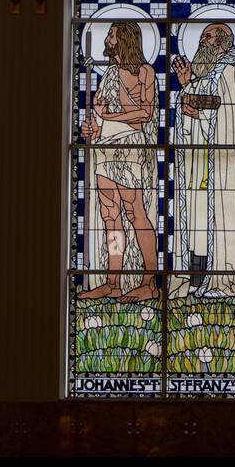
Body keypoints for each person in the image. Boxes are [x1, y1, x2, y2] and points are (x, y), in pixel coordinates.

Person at [172, 23, 235, 297]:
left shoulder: (233, 72)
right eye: (200, 37)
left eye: (206, 37)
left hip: (224, 166)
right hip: (201, 163)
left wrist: (197, 111)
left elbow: (230, 115)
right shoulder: (208, 74)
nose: (201, 43)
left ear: (222, 43)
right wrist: (187, 88)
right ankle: (197, 278)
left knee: (222, 218)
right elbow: (197, 103)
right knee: (198, 220)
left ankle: (227, 277)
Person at [80, 21, 159, 302]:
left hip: (129, 147)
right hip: (105, 149)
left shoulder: (146, 73)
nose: (108, 39)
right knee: (110, 217)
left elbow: (144, 114)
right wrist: (90, 126)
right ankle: (113, 282)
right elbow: (98, 115)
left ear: (125, 39)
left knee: (136, 214)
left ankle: (149, 282)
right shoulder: (109, 75)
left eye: (112, 35)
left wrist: (108, 118)